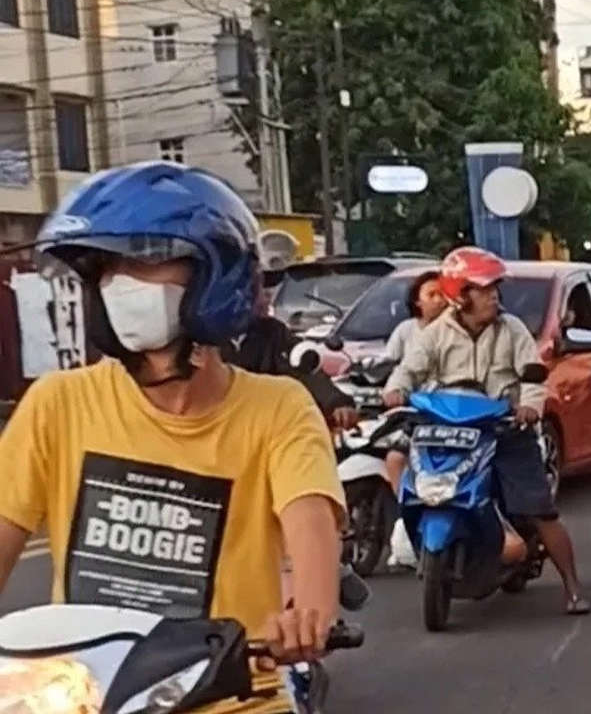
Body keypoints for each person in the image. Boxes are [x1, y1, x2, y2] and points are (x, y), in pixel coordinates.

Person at [0, 162, 345, 710]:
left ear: (216, 276)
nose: (122, 281)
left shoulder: (279, 409)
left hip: (238, 695)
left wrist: (308, 614)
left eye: (149, 260)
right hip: (84, 695)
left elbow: (310, 524)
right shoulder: (57, 403)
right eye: (109, 266)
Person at [382, 246, 590, 615]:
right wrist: (395, 391)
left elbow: (533, 376)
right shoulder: (434, 334)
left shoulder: (511, 330)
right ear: (460, 295)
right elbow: (408, 370)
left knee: (540, 510)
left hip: (505, 428)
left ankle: (573, 588)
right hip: (449, 428)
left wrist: (530, 406)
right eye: (483, 288)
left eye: (495, 288)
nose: (494, 295)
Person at [225, 267, 360, 431]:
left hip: (269, 433)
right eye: (258, 290)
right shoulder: (203, 341)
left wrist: (337, 403)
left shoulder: (273, 332)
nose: (267, 298)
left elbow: (303, 367)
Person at [385, 270, 445, 362]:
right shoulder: (405, 330)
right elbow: (389, 362)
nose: (438, 300)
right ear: (417, 300)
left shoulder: (454, 331)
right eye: (431, 295)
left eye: (442, 294)